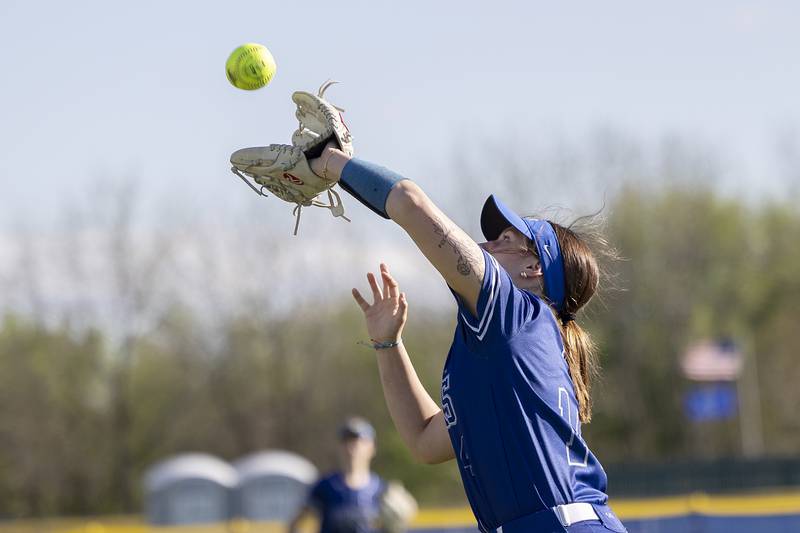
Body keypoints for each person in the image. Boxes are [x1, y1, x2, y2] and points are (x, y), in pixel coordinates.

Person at [302, 143, 628, 533]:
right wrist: (389, 345)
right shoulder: (506, 349)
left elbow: (409, 202)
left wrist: (332, 162)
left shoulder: (518, 314)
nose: (488, 244)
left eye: (508, 239)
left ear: (533, 268)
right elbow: (425, 441)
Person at [287, 417, 386, 533]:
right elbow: (296, 523)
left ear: (372, 447)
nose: (352, 448)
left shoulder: (381, 489)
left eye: (358, 442)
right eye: (346, 441)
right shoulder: (325, 486)